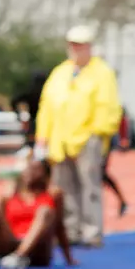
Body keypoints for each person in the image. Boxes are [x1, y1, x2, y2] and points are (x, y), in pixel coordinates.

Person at [34, 25, 122, 248]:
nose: (76, 49)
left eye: (80, 45)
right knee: (65, 188)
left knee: (89, 187)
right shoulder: (60, 72)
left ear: (89, 46)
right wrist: (42, 136)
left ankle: (91, 231)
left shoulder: (102, 73)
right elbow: (47, 106)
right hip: (60, 141)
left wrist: (96, 133)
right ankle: (70, 230)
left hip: (87, 139)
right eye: (72, 45)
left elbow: (108, 107)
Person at [0, 160, 75, 269]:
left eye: (36, 170)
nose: (30, 172)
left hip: (37, 250)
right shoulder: (10, 195)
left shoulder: (53, 194)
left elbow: (59, 226)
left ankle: (20, 256)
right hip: (10, 244)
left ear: (45, 174)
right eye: (28, 169)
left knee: (45, 211)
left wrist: (68, 258)